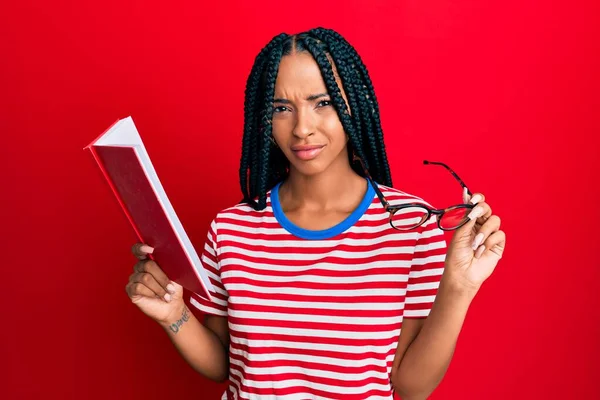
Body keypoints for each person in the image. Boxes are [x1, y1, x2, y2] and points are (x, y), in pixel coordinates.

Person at [125, 27, 506, 400]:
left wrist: (459, 287)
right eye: (282, 108)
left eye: (322, 103)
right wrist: (172, 314)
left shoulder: (409, 225)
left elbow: (411, 387)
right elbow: (225, 365)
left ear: (352, 105)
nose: (302, 128)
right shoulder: (232, 229)